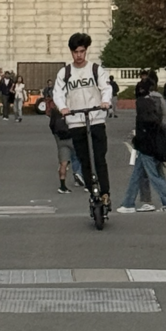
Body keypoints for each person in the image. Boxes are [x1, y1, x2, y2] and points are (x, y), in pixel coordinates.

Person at [52, 31, 113, 206]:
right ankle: (92, 189)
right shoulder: (65, 72)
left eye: (81, 51)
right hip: (75, 120)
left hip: (96, 119)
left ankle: (105, 193)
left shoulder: (96, 69)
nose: (79, 55)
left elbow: (106, 89)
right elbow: (58, 93)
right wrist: (63, 107)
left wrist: (105, 102)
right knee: (84, 158)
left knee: (100, 157)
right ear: (71, 52)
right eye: (75, 52)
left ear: (86, 51)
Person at [115, 72, 166, 212]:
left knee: (151, 175)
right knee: (140, 174)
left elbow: (143, 125)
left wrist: (137, 139)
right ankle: (128, 203)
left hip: (145, 145)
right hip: (156, 143)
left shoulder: (142, 104)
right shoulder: (157, 101)